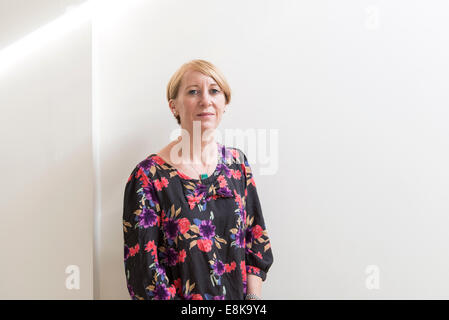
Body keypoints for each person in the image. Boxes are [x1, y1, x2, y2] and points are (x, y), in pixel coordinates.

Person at [122, 59, 274, 300]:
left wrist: (252, 301)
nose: (206, 100)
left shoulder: (237, 165)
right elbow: (145, 276)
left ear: (225, 103)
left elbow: (256, 240)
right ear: (174, 106)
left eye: (214, 91)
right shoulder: (148, 177)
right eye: (193, 92)